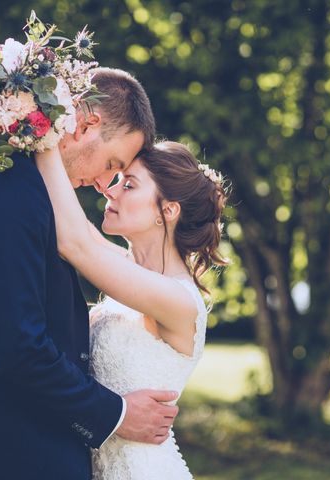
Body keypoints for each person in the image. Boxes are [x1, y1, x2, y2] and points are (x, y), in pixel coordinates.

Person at [0, 68, 178, 480]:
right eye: (112, 164)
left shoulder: (14, 177)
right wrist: (116, 414)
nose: (105, 183)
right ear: (87, 124)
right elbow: (17, 347)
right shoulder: (7, 188)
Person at [35, 140, 228, 479]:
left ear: (167, 211)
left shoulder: (177, 299)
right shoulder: (133, 273)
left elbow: (74, 243)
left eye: (129, 185)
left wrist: (40, 132)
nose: (111, 192)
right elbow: (83, 234)